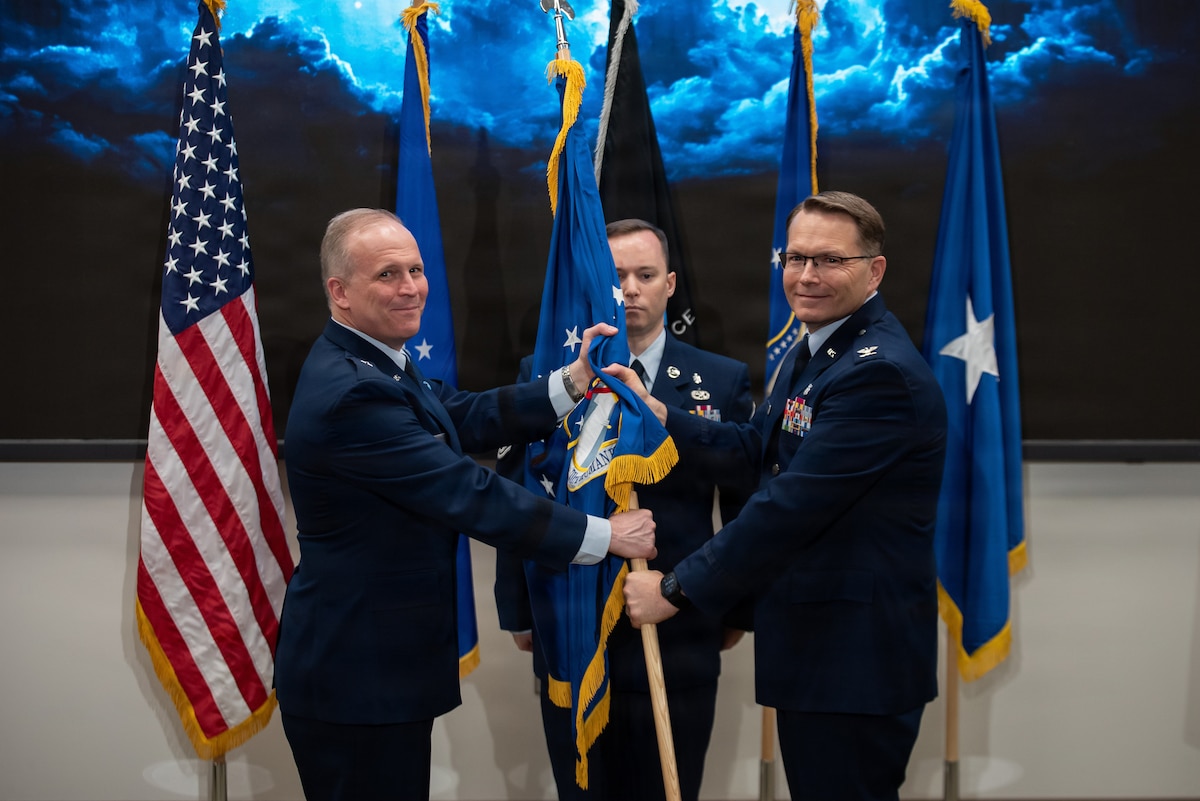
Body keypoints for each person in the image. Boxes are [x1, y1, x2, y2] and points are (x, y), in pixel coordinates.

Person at [274, 208, 657, 801]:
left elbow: (463, 415)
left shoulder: (378, 364)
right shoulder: (354, 392)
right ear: (339, 292)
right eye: (387, 275)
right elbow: (466, 492)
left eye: (416, 270)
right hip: (357, 675)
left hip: (377, 668)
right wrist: (605, 538)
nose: (410, 287)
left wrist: (576, 380)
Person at [619, 192, 948, 801]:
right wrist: (665, 416)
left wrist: (674, 588)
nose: (806, 276)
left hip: (854, 661)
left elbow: (790, 504)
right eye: (795, 258)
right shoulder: (819, 348)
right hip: (817, 648)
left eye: (829, 260)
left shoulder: (877, 374)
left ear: (874, 270)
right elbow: (757, 450)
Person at [494, 219, 754, 801]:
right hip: (574, 622)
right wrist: (518, 607)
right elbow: (519, 495)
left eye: (645, 274)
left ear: (670, 284)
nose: (630, 289)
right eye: (615, 277)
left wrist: (734, 606)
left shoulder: (720, 378)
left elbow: (744, 501)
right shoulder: (551, 378)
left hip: (679, 625)